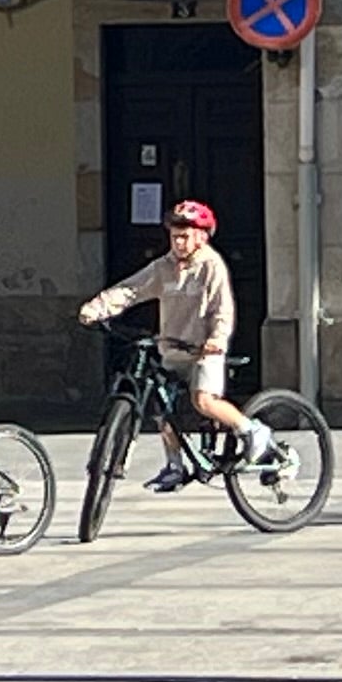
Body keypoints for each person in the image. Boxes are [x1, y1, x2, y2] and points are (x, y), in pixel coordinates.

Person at [76, 201, 269, 491]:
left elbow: (222, 308)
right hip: (174, 348)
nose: (179, 242)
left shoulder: (210, 266)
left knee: (203, 400)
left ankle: (252, 430)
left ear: (202, 236)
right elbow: (131, 290)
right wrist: (97, 308)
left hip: (204, 351)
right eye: (175, 236)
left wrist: (217, 339)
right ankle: (175, 465)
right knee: (162, 405)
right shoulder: (163, 268)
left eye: (185, 235)